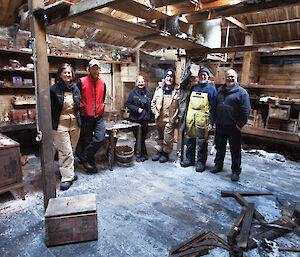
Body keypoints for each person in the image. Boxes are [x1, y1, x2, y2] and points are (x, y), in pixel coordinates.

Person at [209, 69, 251, 181]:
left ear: (236, 78)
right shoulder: (219, 91)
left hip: (233, 127)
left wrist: (240, 124)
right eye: (228, 76)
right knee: (219, 147)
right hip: (220, 125)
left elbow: (246, 110)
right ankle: (218, 165)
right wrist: (213, 122)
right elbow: (214, 107)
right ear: (225, 78)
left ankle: (236, 171)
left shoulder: (242, 93)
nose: (230, 78)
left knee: (235, 149)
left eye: (232, 76)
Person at [50, 63, 81, 190]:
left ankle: (70, 173)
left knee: (72, 150)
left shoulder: (75, 89)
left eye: (69, 72)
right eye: (65, 72)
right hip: (60, 124)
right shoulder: (53, 90)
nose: (67, 75)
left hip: (74, 123)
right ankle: (67, 178)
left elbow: (78, 106)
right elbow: (49, 108)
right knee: (65, 151)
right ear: (60, 74)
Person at [180, 67, 217, 172]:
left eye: (205, 75)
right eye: (201, 74)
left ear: (208, 77)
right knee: (189, 140)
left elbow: (214, 108)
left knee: (202, 142)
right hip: (191, 119)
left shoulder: (212, 90)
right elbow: (186, 103)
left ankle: (200, 162)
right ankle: (189, 159)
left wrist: (211, 122)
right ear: (198, 76)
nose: (203, 76)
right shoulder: (193, 88)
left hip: (203, 119)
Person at [75, 59, 106, 173]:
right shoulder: (81, 82)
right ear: (89, 69)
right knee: (86, 141)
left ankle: (83, 158)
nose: (95, 70)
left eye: (97, 68)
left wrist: (100, 107)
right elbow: (76, 99)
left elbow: (102, 98)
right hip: (85, 116)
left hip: (98, 116)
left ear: (99, 70)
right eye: (93, 68)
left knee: (100, 138)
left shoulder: (102, 83)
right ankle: (89, 163)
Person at [151, 68, 179, 163]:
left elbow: (179, 106)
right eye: (167, 76)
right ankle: (159, 151)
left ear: (173, 78)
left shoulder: (176, 91)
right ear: (165, 78)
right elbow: (153, 103)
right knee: (159, 137)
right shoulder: (159, 90)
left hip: (170, 119)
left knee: (168, 138)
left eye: (171, 76)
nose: (169, 78)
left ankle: (165, 153)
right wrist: (155, 113)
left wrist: (175, 118)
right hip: (160, 117)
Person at [126, 75, 152, 162]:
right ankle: (139, 154)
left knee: (143, 137)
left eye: (142, 81)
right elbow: (128, 104)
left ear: (144, 82)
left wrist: (150, 118)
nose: (141, 83)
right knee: (138, 137)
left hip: (144, 119)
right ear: (136, 83)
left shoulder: (148, 94)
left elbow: (150, 106)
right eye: (139, 82)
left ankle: (141, 153)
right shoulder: (132, 93)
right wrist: (137, 109)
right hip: (135, 119)